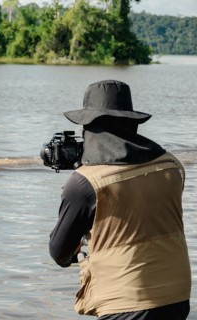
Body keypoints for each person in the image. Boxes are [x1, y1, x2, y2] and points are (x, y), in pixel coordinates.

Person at [49, 80, 191, 319]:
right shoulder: (171, 165)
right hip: (177, 296)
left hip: (125, 304)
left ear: (91, 127)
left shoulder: (85, 182)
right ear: (132, 123)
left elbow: (59, 252)